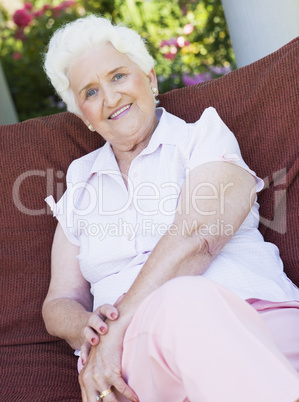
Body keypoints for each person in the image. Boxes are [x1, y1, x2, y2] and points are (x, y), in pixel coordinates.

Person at [42, 15, 299, 402]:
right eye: (90, 92)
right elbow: (59, 301)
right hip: (134, 360)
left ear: (150, 79)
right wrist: (86, 328)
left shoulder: (203, 137)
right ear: (83, 116)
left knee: (185, 299)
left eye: (117, 76)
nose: (110, 98)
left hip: (260, 321)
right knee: (183, 300)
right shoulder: (80, 181)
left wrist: (115, 328)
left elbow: (197, 236)